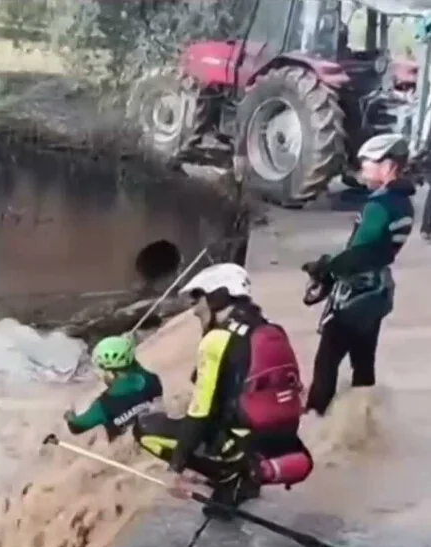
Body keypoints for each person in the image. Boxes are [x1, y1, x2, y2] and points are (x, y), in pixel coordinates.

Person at [131, 263, 313, 519]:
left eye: (198, 298)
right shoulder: (271, 329)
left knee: (146, 428)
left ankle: (228, 476)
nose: (194, 309)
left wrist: (175, 470)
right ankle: (243, 477)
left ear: (217, 297)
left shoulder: (217, 339)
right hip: (283, 442)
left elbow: (200, 412)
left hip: (242, 446)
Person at [303, 134, 415, 416]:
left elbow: (357, 253)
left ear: (388, 166)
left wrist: (324, 269)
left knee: (327, 362)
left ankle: (315, 422)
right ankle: (363, 421)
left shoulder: (379, 206)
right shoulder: (404, 203)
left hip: (355, 295)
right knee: (364, 364)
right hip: (377, 293)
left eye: (368, 162)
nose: (363, 167)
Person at [63, 335, 163, 441]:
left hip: (130, 441)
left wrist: (69, 415)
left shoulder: (103, 406)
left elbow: (76, 427)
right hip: (156, 427)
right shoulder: (152, 379)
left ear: (110, 370)